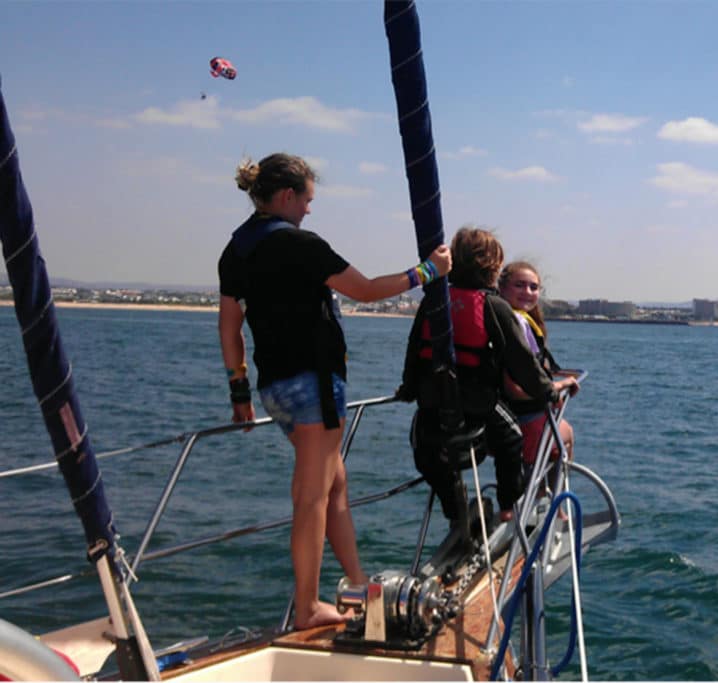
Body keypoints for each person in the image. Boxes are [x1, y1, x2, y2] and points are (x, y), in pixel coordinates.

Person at [218, 152, 451, 630]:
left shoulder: (236, 249)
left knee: (334, 483)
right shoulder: (302, 245)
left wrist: (238, 387)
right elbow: (364, 289)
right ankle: (307, 608)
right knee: (311, 495)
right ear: (287, 196)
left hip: (274, 389)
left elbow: (229, 323)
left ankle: (356, 586)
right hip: (314, 386)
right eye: (307, 200)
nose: (309, 209)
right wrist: (426, 272)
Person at [398, 227, 559, 523]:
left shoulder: (433, 301)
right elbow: (522, 362)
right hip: (479, 403)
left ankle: (456, 512)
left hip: (431, 401)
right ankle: (508, 509)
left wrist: (408, 388)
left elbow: (414, 348)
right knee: (512, 441)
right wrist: (548, 391)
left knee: (427, 456)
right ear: (493, 266)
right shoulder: (493, 306)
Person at [498, 261, 578, 480]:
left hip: (521, 414)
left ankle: (546, 498)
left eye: (533, 287)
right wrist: (556, 389)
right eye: (520, 285)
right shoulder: (514, 324)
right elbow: (512, 386)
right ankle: (554, 505)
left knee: (565, 432)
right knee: (566, 435)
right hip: (521, 418)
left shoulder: (516, 321)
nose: (527, 292)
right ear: (502, 288)